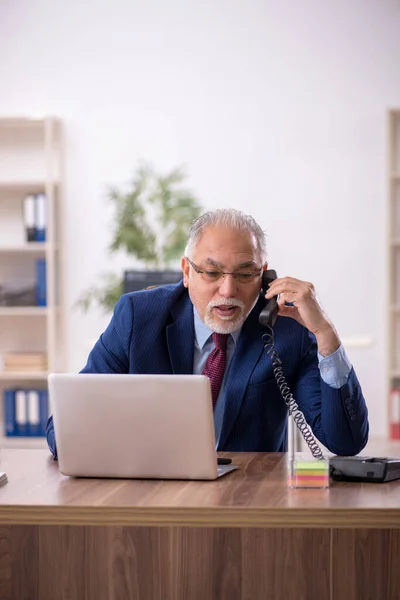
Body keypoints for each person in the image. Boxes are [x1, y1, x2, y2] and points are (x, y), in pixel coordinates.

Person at [46, 208, 368, 458]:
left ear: (264, 274)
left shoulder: (287, 330)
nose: (227, 290)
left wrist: (324, 332)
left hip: (251, 502)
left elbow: (346, 441)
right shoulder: (138, 317)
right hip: (151, 495)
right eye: (212, 272)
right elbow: (62, 433)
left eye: (245, 274)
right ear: (187, 272)